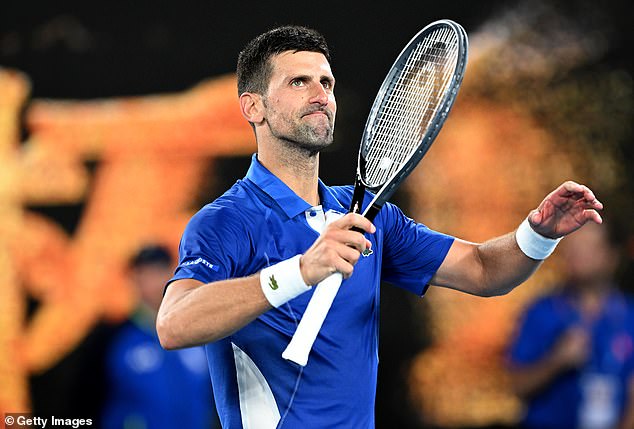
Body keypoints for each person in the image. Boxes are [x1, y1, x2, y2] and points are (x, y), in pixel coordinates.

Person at [156, 26, 603, 428]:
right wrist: (301, 271)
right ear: (253, 107)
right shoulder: (225, 221)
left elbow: (485, 270)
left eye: (326, 83)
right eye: (299, 82)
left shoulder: (373, 215)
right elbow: (174, 324)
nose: (321, 95)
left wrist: (539, 233)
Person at [508, 222, 634, 429]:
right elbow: (517, 387)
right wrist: (556, 361)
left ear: (612, 256)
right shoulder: (541, 312)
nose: (577, 255)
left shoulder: (629, 316)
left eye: (589, 247)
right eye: (573, 246)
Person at [102, 245, 218, 429]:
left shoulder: (197, 331)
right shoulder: (111, 337)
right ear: (134, 279)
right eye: (146, 274)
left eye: (160, 271)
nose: (154, 282)